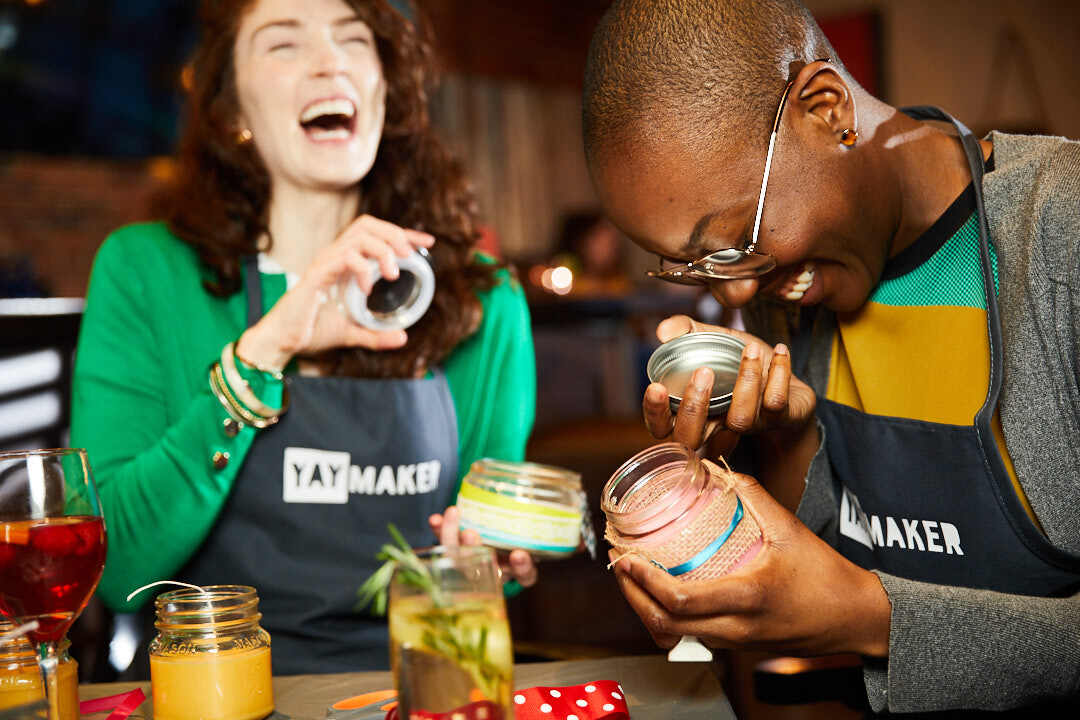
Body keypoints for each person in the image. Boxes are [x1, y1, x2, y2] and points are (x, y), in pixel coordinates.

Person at [582, 0, 1080, 713]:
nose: (738, 289)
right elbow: (822, 567)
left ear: (826, 109)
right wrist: (784, 438)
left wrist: (873, 620)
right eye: (697, 266)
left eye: (737, 240)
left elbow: (853, 612)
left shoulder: (1060, 231)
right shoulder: (789, 292)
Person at [72, 0, 537, 674]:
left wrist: (493, 556)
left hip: (419, 690)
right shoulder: (145, 272)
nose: (329, 62)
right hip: (211, 692)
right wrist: (263, 352)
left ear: (384, 90)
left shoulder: (481, 297)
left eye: (354, 40)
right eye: (283, 44)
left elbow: (494, 556)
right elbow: (119, 571)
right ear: (233, 109)